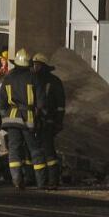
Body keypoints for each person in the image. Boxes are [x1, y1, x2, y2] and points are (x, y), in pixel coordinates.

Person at [0, 48, 45, 189]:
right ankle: (41, 182)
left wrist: (3, 115)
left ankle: (17, 180)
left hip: (11, 118)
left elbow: (2, 103)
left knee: (14, 150)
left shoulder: (8, 77)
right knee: (35, 149)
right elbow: (41, 102)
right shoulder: (34, 78)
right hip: (28, 118)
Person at [32, 52, 65, 190]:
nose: (35, 67)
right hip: (39, 120)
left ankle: (52, 179)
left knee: (48, 150)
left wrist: (57, 121)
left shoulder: (51, 82)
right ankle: (45, 179)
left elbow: (60, 105)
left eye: (37, 64)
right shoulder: (36, 79)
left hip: (46, 120)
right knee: (41, 150)